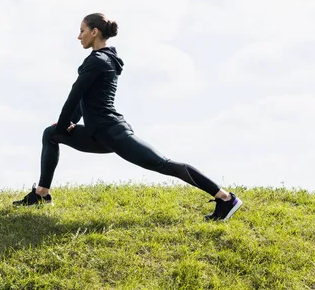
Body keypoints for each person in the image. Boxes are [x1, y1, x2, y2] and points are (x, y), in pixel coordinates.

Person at [13, 13, 243, 221]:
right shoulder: (103, 60)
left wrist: (64, 125)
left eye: (82, 30)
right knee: (50, 135)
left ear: (94, 32)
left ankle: (225, 198)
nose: (78, 36)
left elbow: (74, 97)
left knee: (164, 165)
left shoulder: (97, 61)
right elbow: (84, 101)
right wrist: (67, 124)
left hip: (113, 133)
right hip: (97, 133)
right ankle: (42, 194)